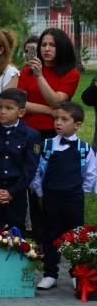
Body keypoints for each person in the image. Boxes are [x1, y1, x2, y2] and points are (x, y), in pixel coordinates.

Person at [17, 27, 79, 240]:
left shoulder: (71, 73)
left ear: (61, 47)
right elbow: (20, 102)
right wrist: (48, 111)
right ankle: (38, 237)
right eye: (44, 44)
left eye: (52, 45)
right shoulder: (26, 72)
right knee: (33, 189)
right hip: (29, 134)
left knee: (52, 185)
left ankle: (58, 236)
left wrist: (39, 75)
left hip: (55, 136)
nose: (47, 49)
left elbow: (57, 100)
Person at [30, 102, 96, 291]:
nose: (58, 123)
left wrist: (80, 192)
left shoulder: (84, 149)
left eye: (64, 119)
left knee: (76, 237)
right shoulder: (47, 146)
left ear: (78, 125)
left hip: (74, 199)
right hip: (51, 198)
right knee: (50, 235)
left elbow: (90, 174)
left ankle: (77, 273)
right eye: (56, 118)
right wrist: (41, 194)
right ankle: (50, 274)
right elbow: (37, 172)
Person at [0, 89, 41, 232]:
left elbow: (30, 168)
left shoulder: (31, 135)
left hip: (16, 193)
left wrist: (12, 192)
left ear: (21, 113)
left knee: (16, 231)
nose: (2, 111)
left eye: (9, 108)